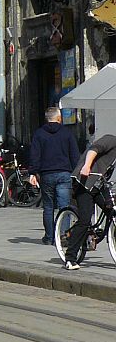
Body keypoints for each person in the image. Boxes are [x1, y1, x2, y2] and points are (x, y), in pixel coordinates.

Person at [28, 106, 81, 245]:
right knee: (64, 206)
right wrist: (77, 173)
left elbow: (35, 155)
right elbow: (75, 155)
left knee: (48, 207)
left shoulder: (39, 134)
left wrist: (33, 172)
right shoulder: (67, 133)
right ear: (59, 118)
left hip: (46, 174)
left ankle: (49, 237)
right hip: (64, 173)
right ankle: (63, 235)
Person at [63, 133, 116, 269]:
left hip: (99, 185)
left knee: (111, 209)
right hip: (84, 182)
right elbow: (94, 149)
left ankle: (98, 234)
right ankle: (70, 258)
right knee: (85, 220)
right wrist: (86, 166)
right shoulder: (110, 140)